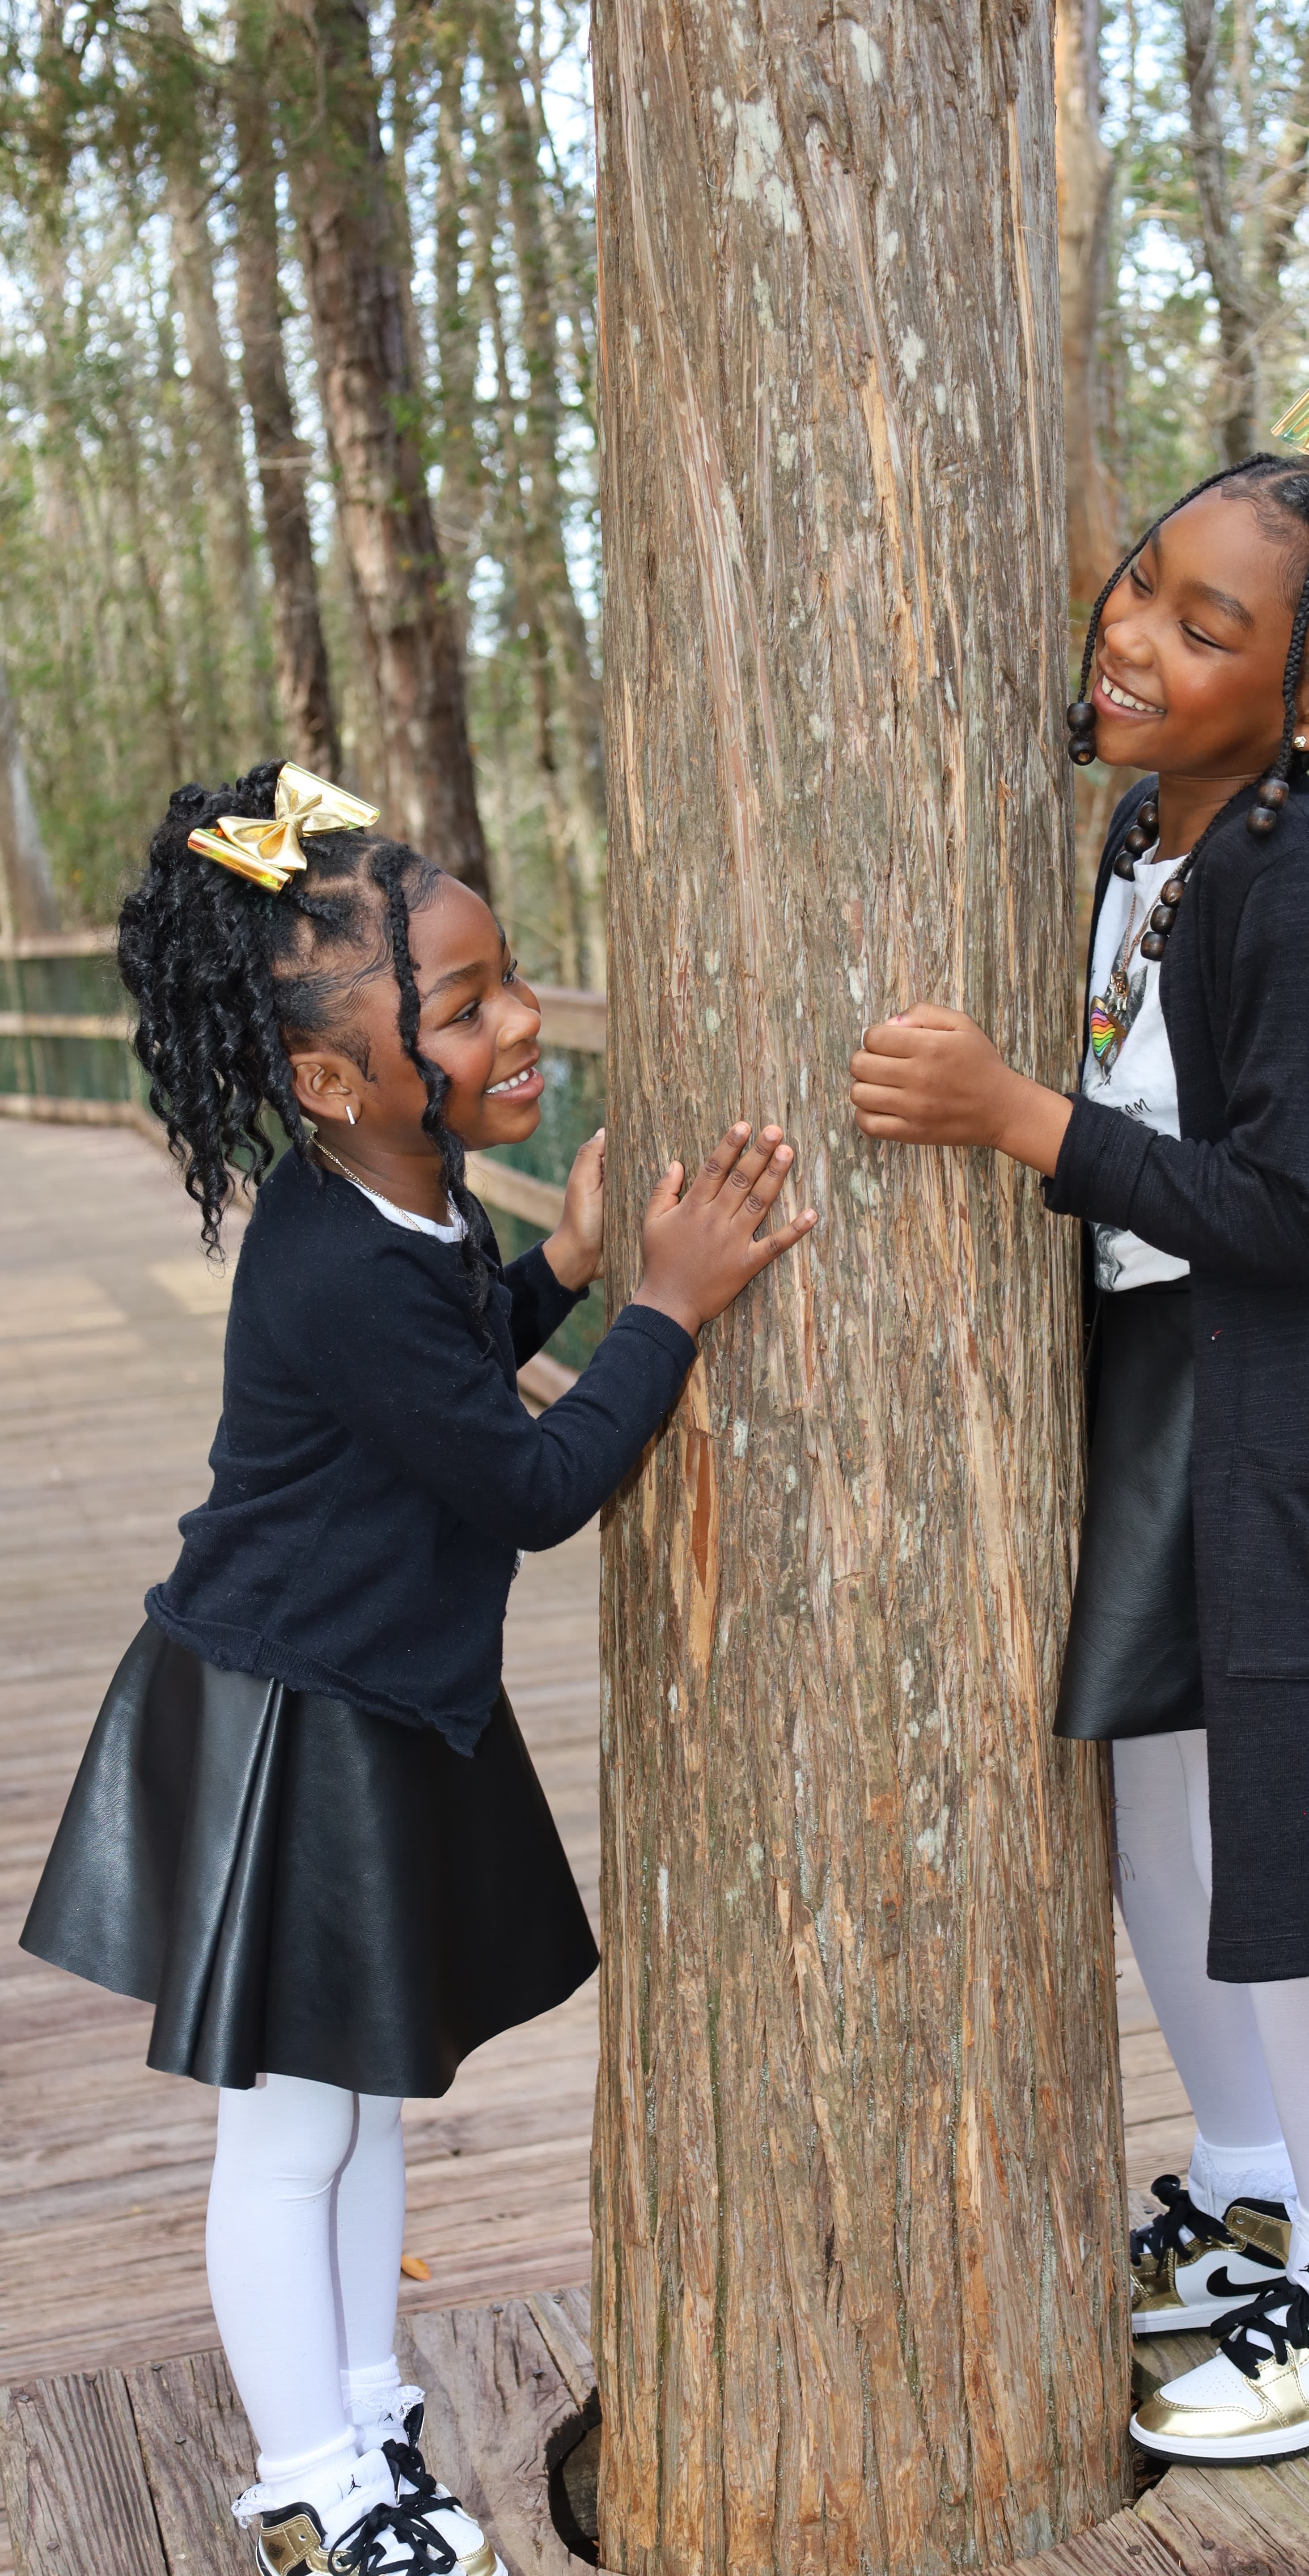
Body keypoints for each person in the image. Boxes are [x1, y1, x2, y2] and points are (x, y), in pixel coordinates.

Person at [22, 761, 817, 2576]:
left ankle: (367, 2408)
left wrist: (559, 1269)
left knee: (364, 2096)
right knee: (289, 2134)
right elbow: (530, 1483)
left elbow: (455, 1371)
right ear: (327, 1076)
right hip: (284, 1719)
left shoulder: (409, 1198)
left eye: (507, 979)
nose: (520, 1020)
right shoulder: (334, 1264)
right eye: (463, 1008)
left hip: (367, 1706)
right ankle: (312, 2484)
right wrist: (668, 1309)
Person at [848, 363, 1309, 2463]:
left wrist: (1018, 1120)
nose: (1137, 637)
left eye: (1206, 628)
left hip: (1297, 1428)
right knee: (1153, 1813)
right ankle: (1246, 2191)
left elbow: (1292, 1213)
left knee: (1280, 1845)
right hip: (1172, 1396)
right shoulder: (1155, 832)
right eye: (1143, 588)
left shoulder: (1289, 887)